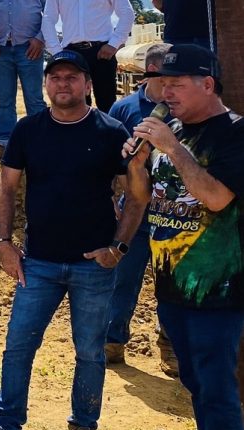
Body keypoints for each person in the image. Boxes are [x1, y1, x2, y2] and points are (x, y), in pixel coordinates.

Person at [0, 51, 140, 430]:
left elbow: (137, 194)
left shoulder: (110, 131)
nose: (63, 84)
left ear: (86, 84)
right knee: (17, 347)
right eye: (55, 77)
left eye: (72, 77)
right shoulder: (29, 131)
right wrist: (5, 242)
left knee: (89, 351)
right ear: (46, 84)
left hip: (93, 263)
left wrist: (118, 247)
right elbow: (6, 189)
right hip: (39, 262)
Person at [124, 44, 243, 430]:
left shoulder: (234, 133)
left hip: (219, 288)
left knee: (216, 387)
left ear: (207, 84)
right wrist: (136, 163)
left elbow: (215, 198)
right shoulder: (169, 132)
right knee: (195, 384)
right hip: (172, 285)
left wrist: (172, 148)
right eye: (159, 84)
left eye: (175, 84)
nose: (163, 93)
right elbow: (141, 199)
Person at [103, 43, 180, 376]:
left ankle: (170, 345)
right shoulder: (123, 109)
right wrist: (110, 203)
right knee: (123, 279)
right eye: (166, 76)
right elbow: (105, 161)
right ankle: (113, 340)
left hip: (175, 215)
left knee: (173, 283)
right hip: (133, 214)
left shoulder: (185, 108)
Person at [0, 0, 47, 154]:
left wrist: (41, 38)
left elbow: (50, 12)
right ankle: (4, 143)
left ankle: (41, 141)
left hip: (31, 47)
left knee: (34, 98)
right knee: (4, 100)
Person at [41, 0, 135, 113]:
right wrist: (57, 52)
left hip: (102, 52)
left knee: (106, 102)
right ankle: (78, 130)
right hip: (71, 53)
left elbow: (127, 13)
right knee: (75, 103)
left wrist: (113, 44)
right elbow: (48, 19)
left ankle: (109, 130)